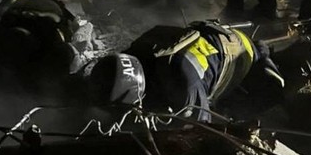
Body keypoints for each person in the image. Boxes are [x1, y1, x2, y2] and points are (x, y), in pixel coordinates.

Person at [89, 20, 284, 122]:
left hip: (245, 55)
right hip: (214, 38)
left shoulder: (183, 84)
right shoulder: (134, 53)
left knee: (273, 90)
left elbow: (198, 132)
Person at [0, 0, 78, 104]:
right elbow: (68, 35)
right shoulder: (54, 7)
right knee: (65, 52)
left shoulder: (20, 1)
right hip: (31, 59)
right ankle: (51, 97)